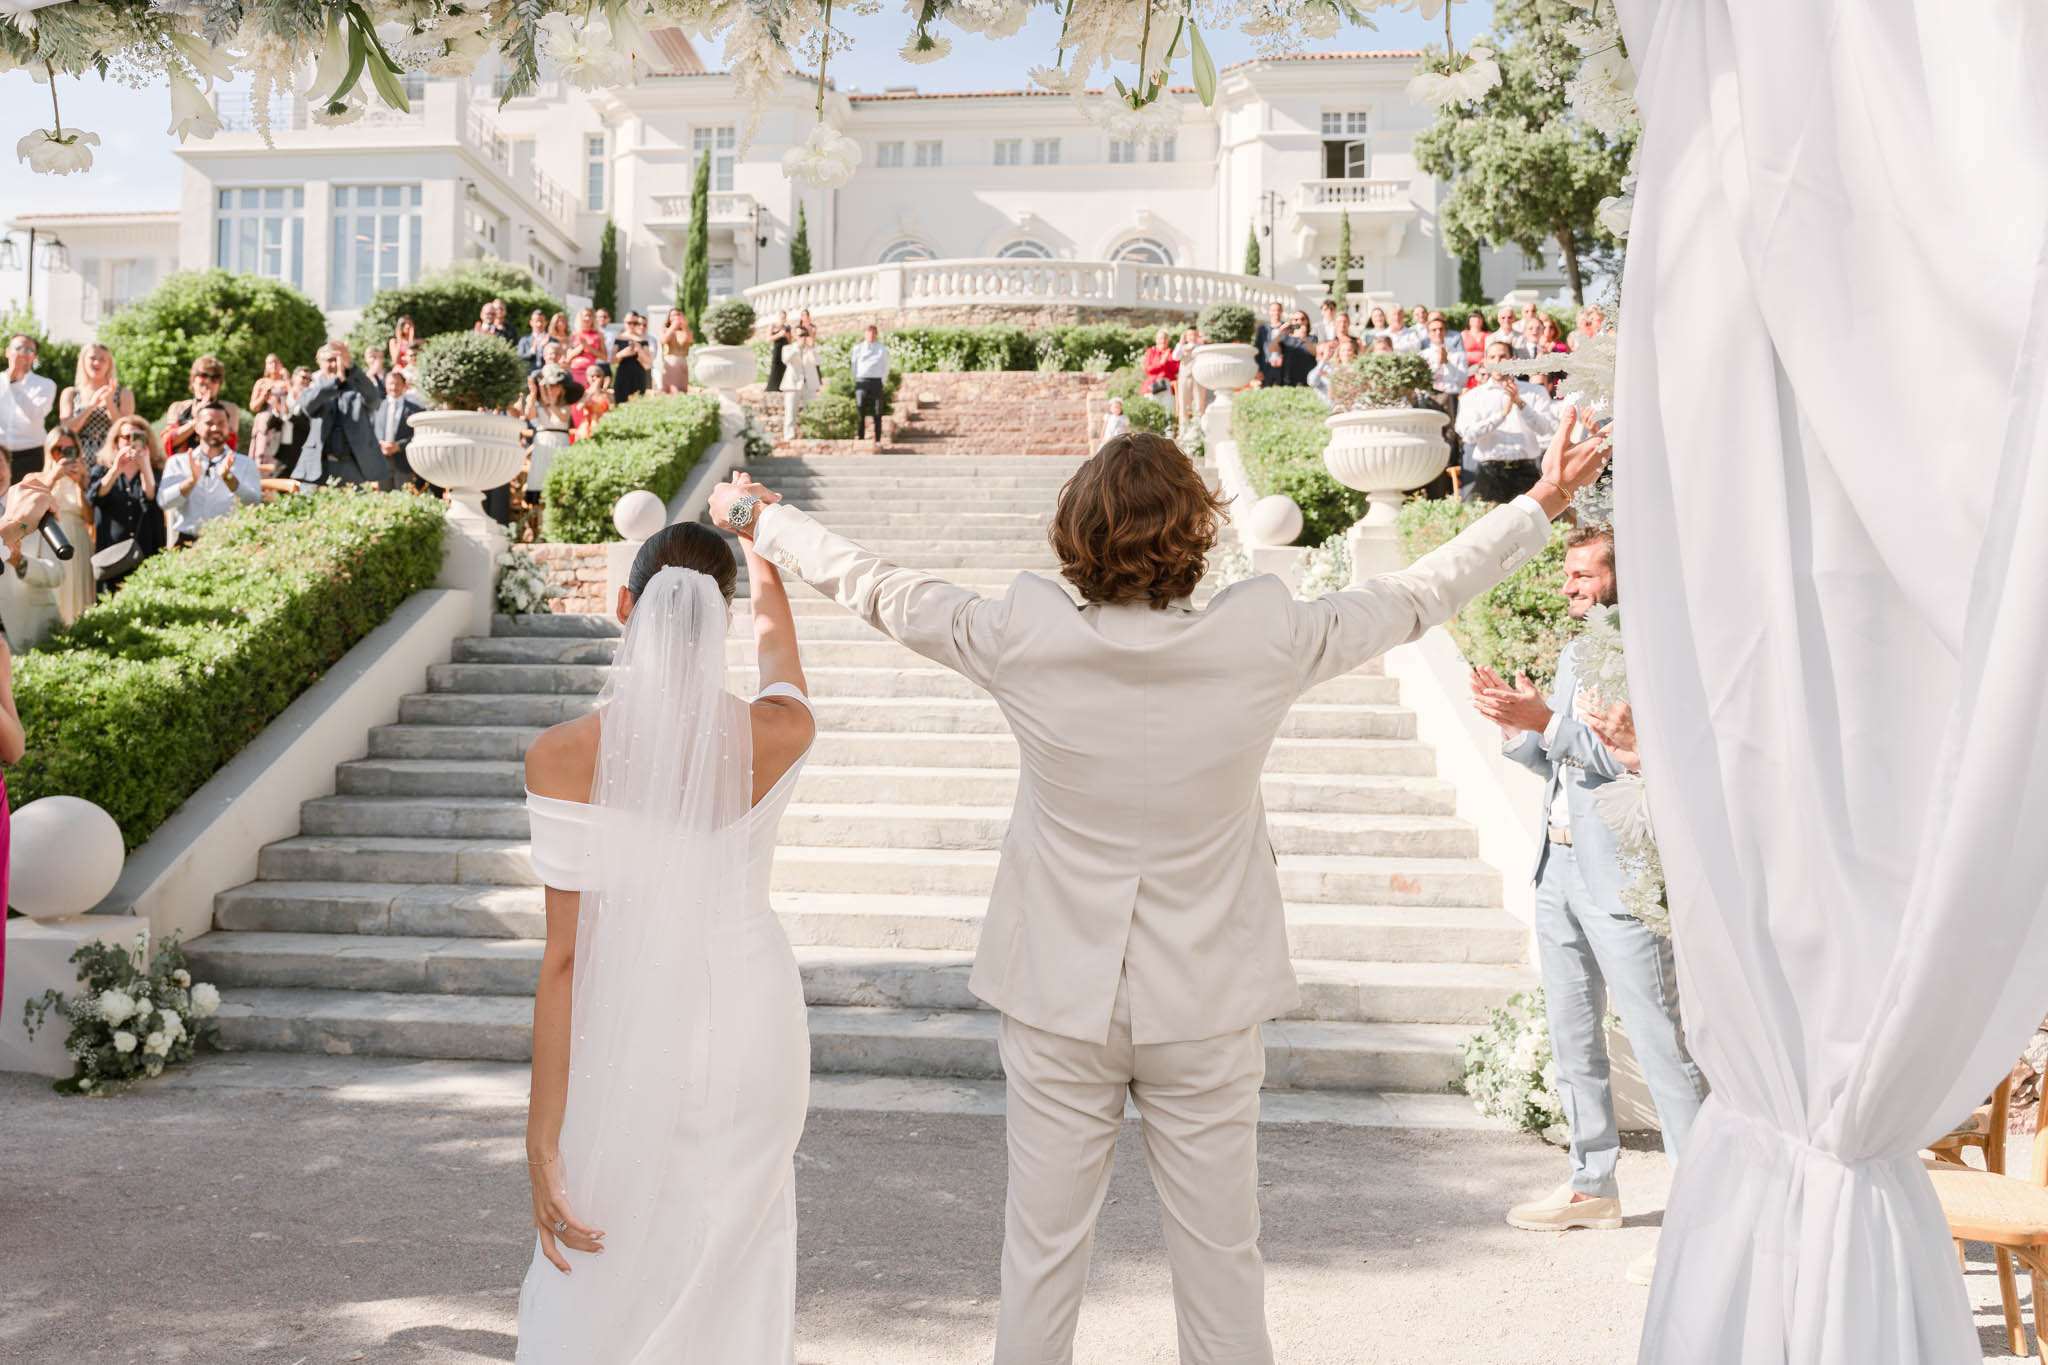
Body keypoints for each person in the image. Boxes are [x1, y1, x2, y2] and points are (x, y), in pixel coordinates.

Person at [714, 413, 1611, 1365]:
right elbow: (1419, 592)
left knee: (1041, 1262)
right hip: (1209, 998)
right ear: (1199, 534)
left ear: (1074, 537)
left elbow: (881, 589)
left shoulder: (1020, 632)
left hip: (1058, 995)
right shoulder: (1265, 637)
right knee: (1223, 1265)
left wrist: (762, 520)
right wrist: (1544, 500)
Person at [516, 509, 815, 1362]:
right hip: (755, 1017)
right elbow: (781, 658)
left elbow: (565, 959)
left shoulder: (562, 754)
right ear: (717, 618)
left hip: (630, 1015)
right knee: (737, 1249)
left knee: (609, 1228)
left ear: (625, 605)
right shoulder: (780, 733)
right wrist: (760, 548)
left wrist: (543, 1131)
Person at [1471, 525, 1707, 1289]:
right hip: (1557, 868)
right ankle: (1590, 1183)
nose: (1569, 587)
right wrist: (1517, 724)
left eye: (1583, 574)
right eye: (1567, 575)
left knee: (1662, 1045)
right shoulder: (1578, 651)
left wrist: (1552, 724)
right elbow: (1561, 755)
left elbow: (1639, 757)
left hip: (1621, 878)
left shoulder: (1651, 649)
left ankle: (1703, 1217)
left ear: (1619, 575)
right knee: (1573, 1037)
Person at [1455, 340, 1559, 503]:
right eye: (1492, 357)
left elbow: (1547, 429)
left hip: (1526, 470)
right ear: (1486, 362)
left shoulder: (1535, 392)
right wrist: (1501, 415)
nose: (1497, 362)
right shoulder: (1472, 397)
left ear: (1513, 359)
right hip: (1489, 471)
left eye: (1503, 356)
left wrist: (1520, 403)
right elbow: (1468, 435)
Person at [159, 403, 259, 542]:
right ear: (197, 427)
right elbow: (164, 502)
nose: (215, 428)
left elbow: (254, 502)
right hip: (186, 544)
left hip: (229, 542)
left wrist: (229, 478)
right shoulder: (178, 462)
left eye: (221, 423)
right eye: (209, 423)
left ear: (229, 427)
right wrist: (191, 481)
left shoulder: (245, 463)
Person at [86, 416, 166, 589]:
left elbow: (153, 498)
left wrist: (144, 465)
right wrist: (116, 468)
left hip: (147, 549)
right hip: (111, 555)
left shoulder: (156, 470)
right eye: (126, 437)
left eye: (138, 437)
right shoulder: (101, 470)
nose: (131, 442)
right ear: (116, 442)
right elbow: (94, 496)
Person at [291, 341, 382, 486]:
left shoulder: (356, 386)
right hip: (318, 466)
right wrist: (336, 382)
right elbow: (308, 406)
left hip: (353, 466)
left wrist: (351, 366)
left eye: (337, 359)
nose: (334, 365)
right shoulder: (313, 388)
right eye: (329, 360)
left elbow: (374, 400)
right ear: (319, 363)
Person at [39, 429, 95, 623]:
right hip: (51, 544)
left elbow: (90, 518)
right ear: (49, 451)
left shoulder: (85, 478)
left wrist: (80, 483)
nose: (63, 454)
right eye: (57, 449)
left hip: (80, 542)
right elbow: (35, 507)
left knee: (81, 596)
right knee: (56, 594)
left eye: (69, 449)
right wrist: (55, 475)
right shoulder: (40, 478)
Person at [57, 342, 135, 466]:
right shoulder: (71, 393)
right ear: (83, 361)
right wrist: (91, 406)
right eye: (92, 358)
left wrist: (110, 403)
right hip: (77, 462)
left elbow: (125, 432)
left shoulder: (123, 394)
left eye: (103, 359)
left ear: (109, 365)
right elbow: (67, 431)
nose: (97, 363)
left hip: (113, 460)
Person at [161, 356, 243, 460]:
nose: (208, 381)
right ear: (193, 380)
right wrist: (195, 421)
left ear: (219, 384)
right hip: (183, 465)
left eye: (215, 378)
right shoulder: (178, 407)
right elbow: (168, 442)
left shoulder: (229, 409)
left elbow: (229, 443)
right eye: (203, 375)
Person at [0, 335, 56, 482]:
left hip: (31, 456)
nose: (23, 353)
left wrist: (15, 383)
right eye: (18, 348)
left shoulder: (46, 384)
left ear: (34, 357)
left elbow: (35, 415)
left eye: (29, 350)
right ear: (7, 352)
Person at [526, 366, 575, 506]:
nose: (552, 390)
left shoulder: (565, 407)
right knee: (539, 480)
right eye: (549, 387)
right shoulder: (538, 406)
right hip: (543, 444)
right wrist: (535, 392)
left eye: (555, 387)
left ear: (561, 389)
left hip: (560, 444)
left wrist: (550, 402)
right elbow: (530, 416)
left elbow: (563, 418)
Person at [375, 369, 428, 491]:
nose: (393, 387)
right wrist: (380, 444)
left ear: (404, 385)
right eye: (390, 384)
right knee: (383, 500)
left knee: (404, 497)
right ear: (385, 385)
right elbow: (371, 431)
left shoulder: (416, 410)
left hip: (404, 463)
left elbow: (419, 435)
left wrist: (399, 446)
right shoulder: (377, 407)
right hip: (381, 462)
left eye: (397, 384)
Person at [849, 324, 891, 443]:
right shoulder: (857, 348)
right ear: (865, 334)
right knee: (860, 409)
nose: (871, 335)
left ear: (876, 335)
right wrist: (856, 379)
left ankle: (878, 439)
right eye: (868, 333)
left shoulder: (882, 348)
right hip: (861, 381)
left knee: (878, 412)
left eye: (873, 333)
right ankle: (861, 438)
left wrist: (883, 380)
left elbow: (886, 366)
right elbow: (854, 365)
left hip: (876, 382)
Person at [778, 328, 819, 441]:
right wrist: (797, 347)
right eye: (801, 335)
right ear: (795, 336)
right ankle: (789, 436)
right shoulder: (788, 348)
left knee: (811, 411)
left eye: (805, 334)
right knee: (790, 412)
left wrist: (811, 347)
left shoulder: (811, 349)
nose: (803, 337)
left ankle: (810, 434)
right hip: (792, 384)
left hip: (808, 385)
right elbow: (785, 360)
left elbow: (817, 361)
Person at [610, 312, 653, 406]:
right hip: (622, 376)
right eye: (629, 322)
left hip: (638, 376)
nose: (632, 325)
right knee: (620, 404)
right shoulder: (619, 338)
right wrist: (623, 353)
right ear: (624, 322)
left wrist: (639, 350)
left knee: (638, 405)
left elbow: (648, 363)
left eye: (635, 323)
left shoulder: (643, 340)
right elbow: (612, 361)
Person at [568, 308, 607, 389]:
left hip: (591, 373)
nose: (588, 318)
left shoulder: (598, 335)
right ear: (580, 318)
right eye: (585, 316)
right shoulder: (574, 334)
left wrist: (588, 347)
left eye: (590, 316)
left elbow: (604, 357)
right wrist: (581, 347)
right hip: (575, 370)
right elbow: (568, 357)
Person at [659, 308, 693, 394]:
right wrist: (673, 327)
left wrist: (684, 326)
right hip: (670, 362)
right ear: (669, 318)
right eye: (673, 315)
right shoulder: (665, 330)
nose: (676, 317)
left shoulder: (687, 331)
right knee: (672, 391)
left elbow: (689, 340)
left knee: (683, 391)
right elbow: (663, 340)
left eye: (678, 314)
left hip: (683, 362)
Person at [1253, 301, 1287, 386]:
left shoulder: (1287, 327)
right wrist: (1258, 369)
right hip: (1266, 367)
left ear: (1281, 311)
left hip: (1283, 367)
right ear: (1269, 312)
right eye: (1273, 310)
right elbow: (1258, 349)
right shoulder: (1263, 329)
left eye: (1278, 310)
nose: (1276, 312)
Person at [1141, 328, 1178, 400]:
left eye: (1165, 338)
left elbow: (1175, 370)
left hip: (1168, 386)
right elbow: (1148, 369)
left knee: (1168, 409)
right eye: (1160, 338)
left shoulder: (1172, 353)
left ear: (1168, 340)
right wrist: (1161, 363)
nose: (1163, 340)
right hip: (1153, 385)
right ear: (1156, 340)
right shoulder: (1151, 352)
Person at [762, 310, 791, 396]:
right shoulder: (773, 326)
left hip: (785, 348)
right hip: (777, 348)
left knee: (784, 366)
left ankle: (783, 386)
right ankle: (773, 386)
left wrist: (786, 335)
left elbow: (790, 341)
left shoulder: (787, 327)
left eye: (784, 317)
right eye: (781, 317)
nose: (783, 319)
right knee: (775, 366)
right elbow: (768, 339)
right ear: (778, 317)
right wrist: (779, 334)